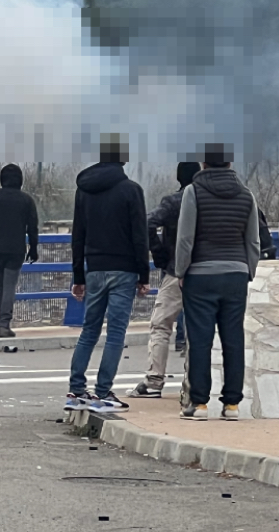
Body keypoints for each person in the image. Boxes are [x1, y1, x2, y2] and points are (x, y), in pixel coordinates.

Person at [176, 145, 260, 421]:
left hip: (200, 275)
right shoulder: (246, 195)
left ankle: (199, 404)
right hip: (236, 274)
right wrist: (248, 271)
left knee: (200, 340)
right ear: (230, 162)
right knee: (233, 339)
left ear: (203, 163)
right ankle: (232, 405)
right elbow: (253, 242)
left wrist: (181, 272)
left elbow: (186, 238)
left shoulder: (193, 192)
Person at [65, 139, 148, 414]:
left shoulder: (84, 190)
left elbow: (78, 235)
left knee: (89, 330)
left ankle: (76, 391)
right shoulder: (131, 190)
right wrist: (144, 273)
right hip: (124, 269)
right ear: (123, 159)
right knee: (115, 332)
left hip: (94, 268)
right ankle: (102, 393)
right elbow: (139, 235)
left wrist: (78, 275)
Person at [128, 161, 199, 399]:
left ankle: (154, 380)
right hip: (207, 270)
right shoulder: (208, 200)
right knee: (201, 328)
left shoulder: (173, 202)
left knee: (161, 325)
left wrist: (160, 253)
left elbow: (147, 223)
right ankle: (194, 383)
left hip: (175, 270)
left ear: (179, 178)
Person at [0, 164, 39, 338]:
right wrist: (33, 248)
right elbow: (33, 227)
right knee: (9, 285)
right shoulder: (26, 200)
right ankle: (4, 323)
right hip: (16, 248)